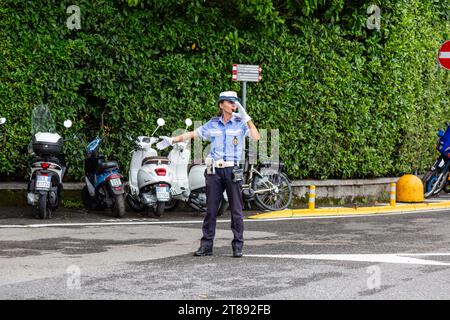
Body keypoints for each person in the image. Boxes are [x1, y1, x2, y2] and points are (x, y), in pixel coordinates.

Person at [156, 91, 260, 258]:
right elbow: (193, 134)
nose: (234, 104)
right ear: (221, 105)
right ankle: (206, 246)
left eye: (235, 102)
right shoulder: (212, 124)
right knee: (211, 210)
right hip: (214, 171)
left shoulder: (240, 123)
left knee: (236, 211)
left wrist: (247, 117)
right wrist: (172, 140)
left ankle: (238, 246)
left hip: (233, 170)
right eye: (230, 101)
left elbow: (256, 137)